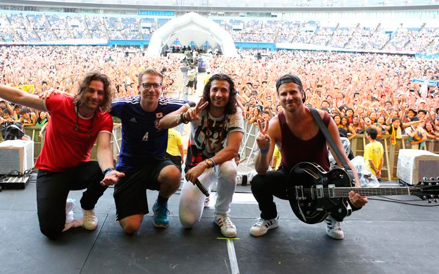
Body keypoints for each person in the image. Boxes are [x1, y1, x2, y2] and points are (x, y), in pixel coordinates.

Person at [0, 66, 123, 239]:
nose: (95, 96)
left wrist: (108, 171)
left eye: (100, 93)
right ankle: (62, 204)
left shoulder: (103, 117)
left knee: (104, 169)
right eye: (91, 90)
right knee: (51, 231)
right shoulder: (60, 102)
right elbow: (20, 97)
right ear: (82, 90)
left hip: (76, 170)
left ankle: (87, 206)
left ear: (105, 96)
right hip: (51, 172)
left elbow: (104, 148)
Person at [249, 74, 367, 240]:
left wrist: (357, 187)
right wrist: (262, 151)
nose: (289, 97)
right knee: (258, 181)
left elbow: (342, 159)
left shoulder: (323, 119)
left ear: (302, 93)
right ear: (278, 98)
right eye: (284, 94)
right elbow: (261, 170)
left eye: (293, 92)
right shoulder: (275, 124)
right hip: (290, 180)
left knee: (353, 194)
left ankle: (334, 218)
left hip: (322, 180)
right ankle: (269, 217)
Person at [159, 73, 244, 238]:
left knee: (229, 169)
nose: (219, 94)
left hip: (218, 162)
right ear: (208, 91)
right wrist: (185, 116)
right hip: (197, 163)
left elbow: (232, 150)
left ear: (230, 94)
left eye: (224, 90)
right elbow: (163, 123)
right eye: (215, 89)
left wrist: (204, 164)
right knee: (187, 221)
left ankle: (222, 213)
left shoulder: (234, 113)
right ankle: (206, 190)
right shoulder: (195, 106)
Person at [110, 68, 185, 235]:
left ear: (161, 88)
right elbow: (98, 104)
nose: (152, 89)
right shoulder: (124, 105)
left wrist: (179, 113)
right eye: (147, 85)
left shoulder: (168, 106)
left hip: (155, 163)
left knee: (174, 174)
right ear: (139, 88)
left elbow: (191, 104)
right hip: (129, 166)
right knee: (131, 227)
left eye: (156, 85)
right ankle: (130, 200)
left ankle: (161, 204)